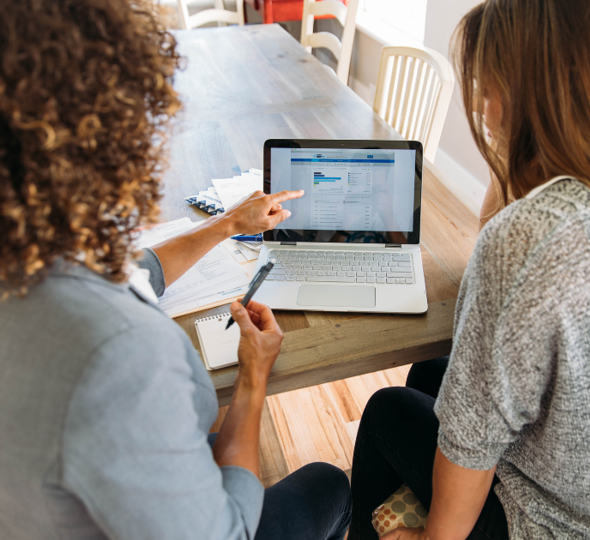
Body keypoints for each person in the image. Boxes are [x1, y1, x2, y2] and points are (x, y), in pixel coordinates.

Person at [0, 1, 352, 539]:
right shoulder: (117, 354)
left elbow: (137, 271)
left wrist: (227, 224)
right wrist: (254, 379)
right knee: (330, 482)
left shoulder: (29, 257)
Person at [349, 0, 590, 539]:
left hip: (553, 522)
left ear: (532, 92)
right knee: (431, 372)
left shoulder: (532, 236)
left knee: (388, 408)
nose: (479, 104)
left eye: (489, 85)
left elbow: (471, 441)